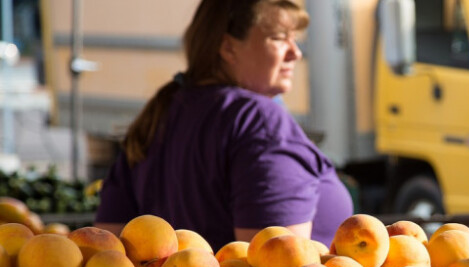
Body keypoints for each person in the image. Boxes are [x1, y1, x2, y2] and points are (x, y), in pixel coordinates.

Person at [94, 0, 353, 250]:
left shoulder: (160, 113)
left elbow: (107, 248)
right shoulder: (258, 120)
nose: (295, 52)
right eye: (277, 38)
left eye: (294, 38)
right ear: (228, 47)